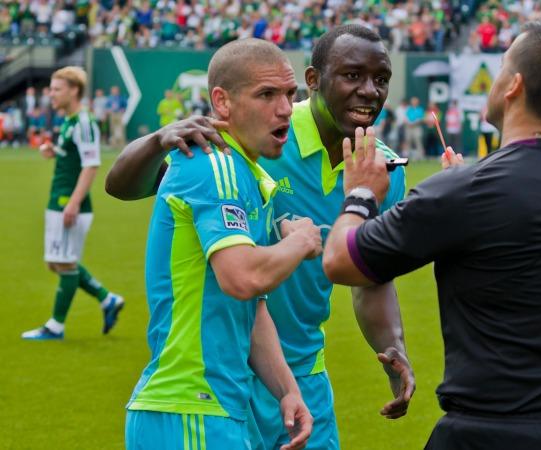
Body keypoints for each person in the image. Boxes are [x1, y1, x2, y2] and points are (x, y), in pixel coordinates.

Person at [323, 20, 541, 449]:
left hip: (494, 432)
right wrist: (461, 192)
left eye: (502, 65)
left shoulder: (465, 192)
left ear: (513, 85)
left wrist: (360, 193)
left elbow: (340, 261)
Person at [106, 25, 415, 450]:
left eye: (381, 79)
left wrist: (392, 347)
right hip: (218, 379)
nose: (368, 90)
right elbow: (131, 187)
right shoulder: (237, 145)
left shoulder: (380, 171)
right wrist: (158, 140)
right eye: (352, 75)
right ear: (314, 80)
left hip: (297, 370)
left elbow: (368, 275)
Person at [122, 38, 314, 450]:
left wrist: (287, 390)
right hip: (189, 409)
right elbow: (241, 278)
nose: (285, 109)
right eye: (267, 94)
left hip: (213, 409)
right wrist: (299, 242)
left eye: (290, 94)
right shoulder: (215, 164)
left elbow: (253, 306)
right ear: (222, 102)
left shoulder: (250, 176)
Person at [21, 67, 124, 340]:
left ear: (74, 90)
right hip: (59, 198)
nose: (51, 94)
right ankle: (108, 299)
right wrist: (54, 151)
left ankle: (56, 326)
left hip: (68, 202)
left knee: (64, 264)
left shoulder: (84, 122)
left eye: (57, 89)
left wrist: (74, 203)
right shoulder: (69, 120)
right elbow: (75, 156)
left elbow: (91, 165)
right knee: (56, 262)